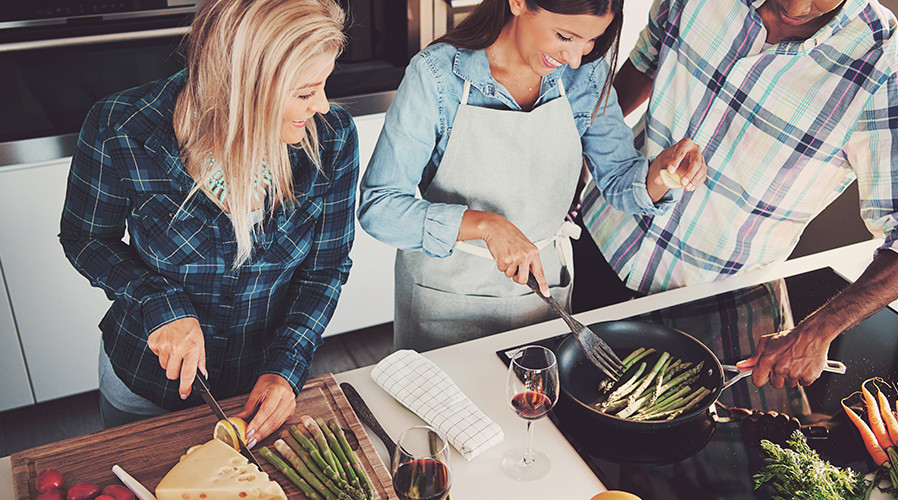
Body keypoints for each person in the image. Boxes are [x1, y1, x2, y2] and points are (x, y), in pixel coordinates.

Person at [572, 0, 898, 388]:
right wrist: (575, 159)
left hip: (715, 314)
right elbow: (635, 71)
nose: (794, 5)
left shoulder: (883, 70)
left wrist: (819, 330)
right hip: (602, 238)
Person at [59, 0, 356, 446]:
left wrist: (286, 365)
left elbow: (325, 269)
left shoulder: (332, 139)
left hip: (257, 391)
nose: (323, 105)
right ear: (242, 85)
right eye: (304, 92)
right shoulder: (122, 127)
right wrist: (157, 298)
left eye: (323, 84)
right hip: (144, 387)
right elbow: (84, 238)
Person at [358, 0, 706, 352]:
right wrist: (485, 225)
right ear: (519, 3)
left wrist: (662, 174)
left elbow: (619, 180)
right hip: (444, 301)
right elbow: (380, 208)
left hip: (541, 297)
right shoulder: (437, 75)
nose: (574, 58)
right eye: (564, 36)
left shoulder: (586, 74)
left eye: (589, 42)